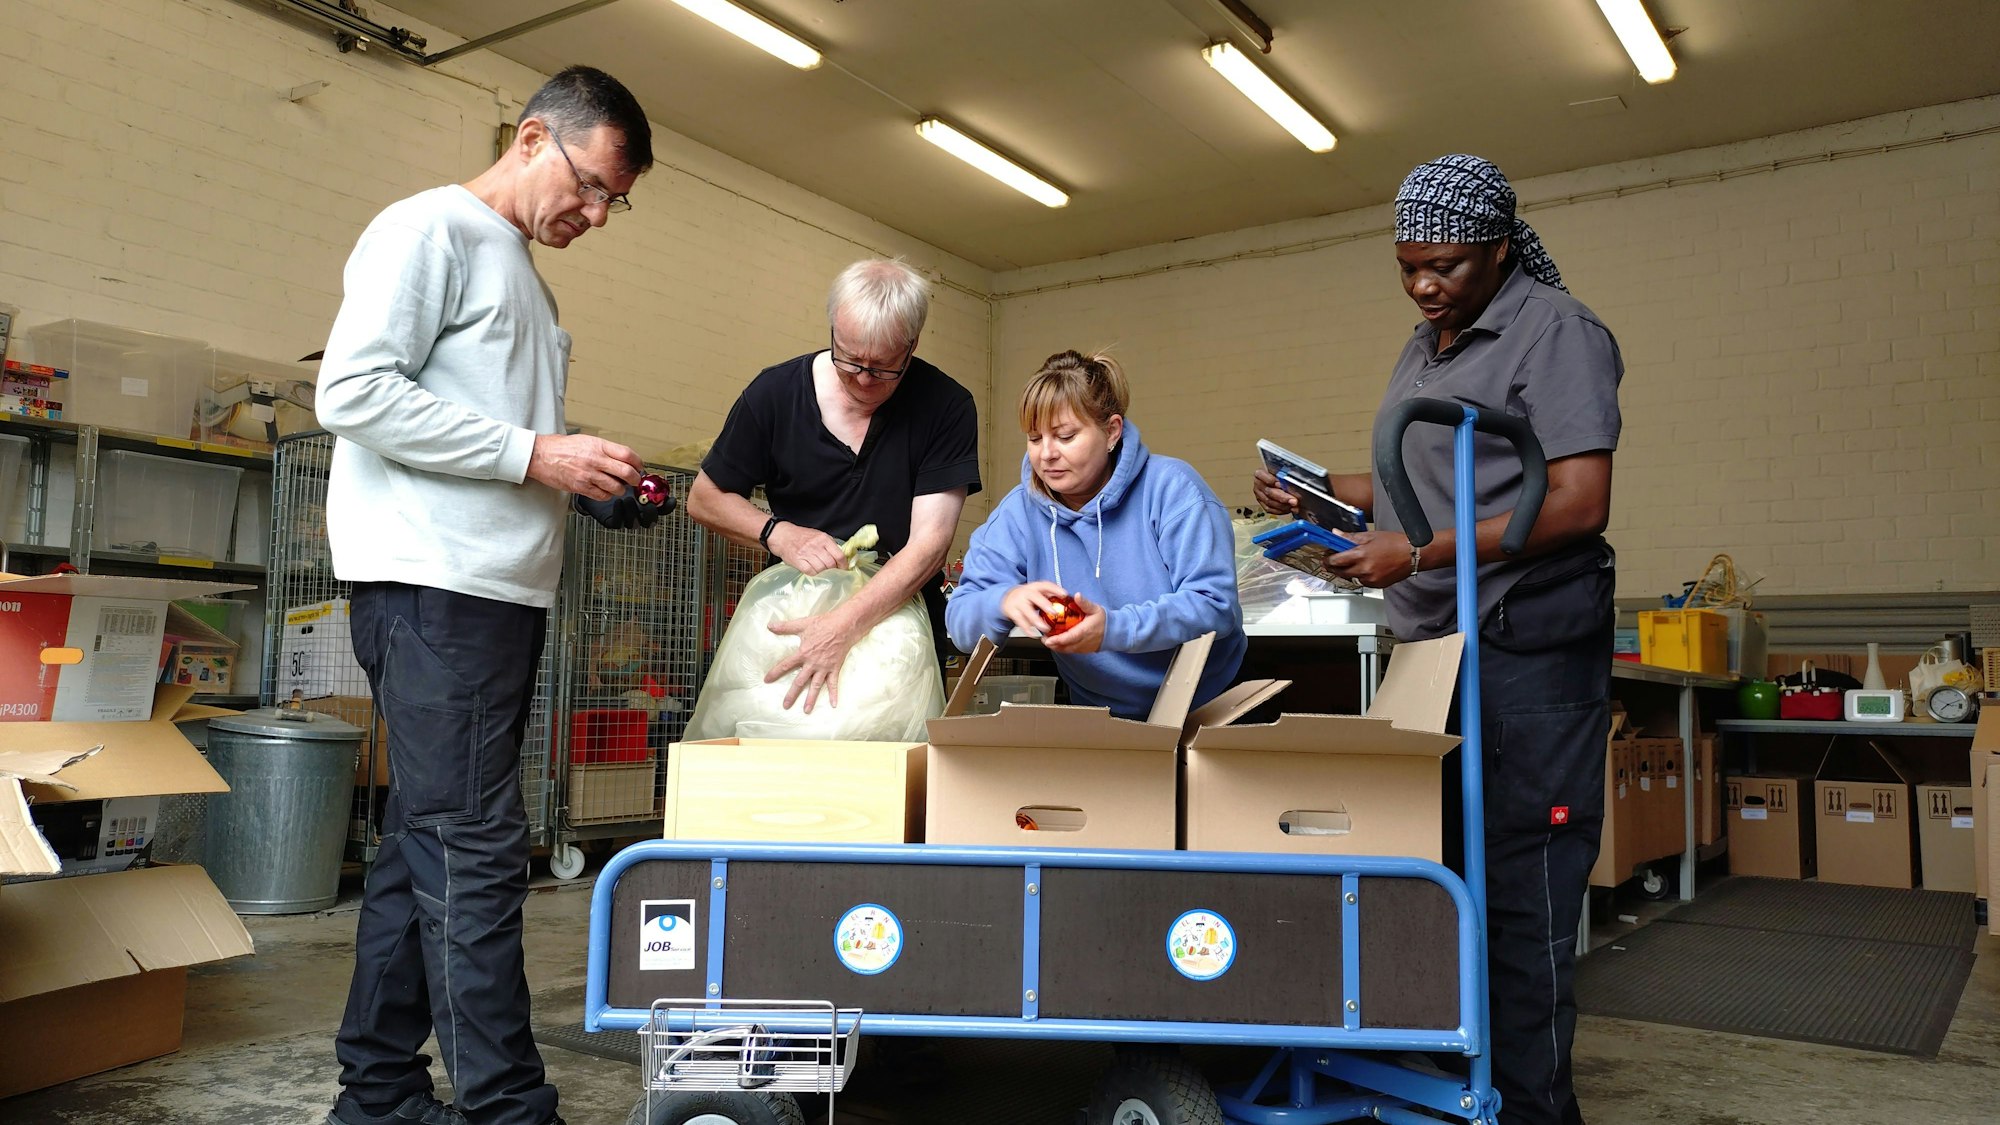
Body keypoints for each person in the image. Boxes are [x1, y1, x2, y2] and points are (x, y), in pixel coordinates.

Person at [315, 66, 655, 1125]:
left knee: (427, 844)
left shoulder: (524, 276)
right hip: (432, 591)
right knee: (473, 855)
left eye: (614, 203)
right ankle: (509, 1109)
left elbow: (507, 449)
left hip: (492, 597)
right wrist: (535, 454)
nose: (594, 215)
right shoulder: (429, 230)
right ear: (528, 138)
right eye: (590, 185)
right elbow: (354, 392)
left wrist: (587, 484)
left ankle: (376, 1095)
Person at [1253, 154, 1621, 1125]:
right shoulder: (1427, 344)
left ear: (1498, 249)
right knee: (1434, 882)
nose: (1423, 285)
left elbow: (1578, 502)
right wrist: (1322, 493)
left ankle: (1535, 1111)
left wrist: (1417, 556)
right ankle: (1457, 1091)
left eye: (1447, 266)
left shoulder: (1558, 331)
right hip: (1435, 654)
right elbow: (1414, 473)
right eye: (1407, 266)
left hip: (1524, 648)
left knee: (1519, 900)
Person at [687, 258, 980, 709]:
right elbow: (705, 498)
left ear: (912, 345)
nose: (863, 378)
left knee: (891, 755)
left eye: (882, 368)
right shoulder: (774, 394)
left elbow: (930, 545)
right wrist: (777, 532)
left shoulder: (946, 406)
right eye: (849, 358)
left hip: (897, 615)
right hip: (791, 609)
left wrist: (845, 624)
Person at [950, 350, 1245, 717]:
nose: (1047, 455)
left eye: (1065, 436)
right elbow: (960, 623)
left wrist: (1113, 629)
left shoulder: (1174, 490)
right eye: (1035, 437)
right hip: (1098, 717)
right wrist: (1003, 600)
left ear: (1112, 432)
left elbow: (1213, 606)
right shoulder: (1018, 513)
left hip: (1204, 708)